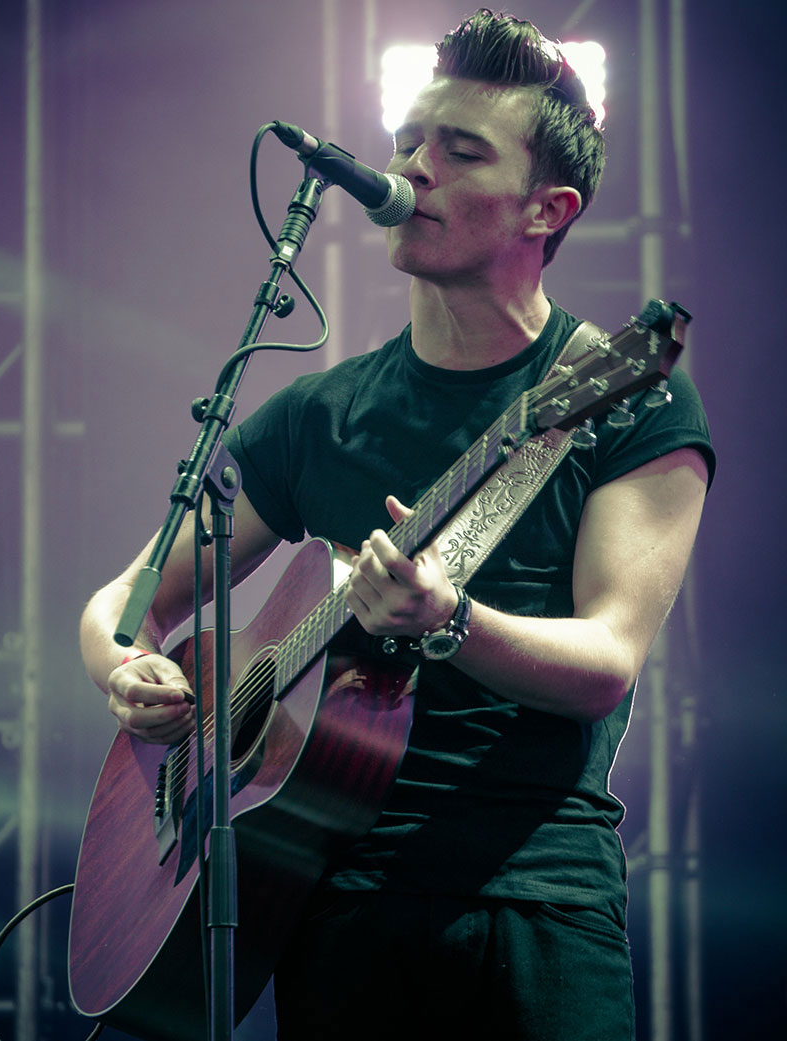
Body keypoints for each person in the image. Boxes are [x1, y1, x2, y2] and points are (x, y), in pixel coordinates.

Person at [80, 9, 714, 1040]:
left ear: (545, 210)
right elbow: (126, 603)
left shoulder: (622, 395)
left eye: (459, 152)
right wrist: (118, 666)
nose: (412, 167)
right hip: (327, 902)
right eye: (409, 142)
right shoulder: (313, 414)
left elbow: (609, 658)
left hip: (532, 904)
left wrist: (448, 621)